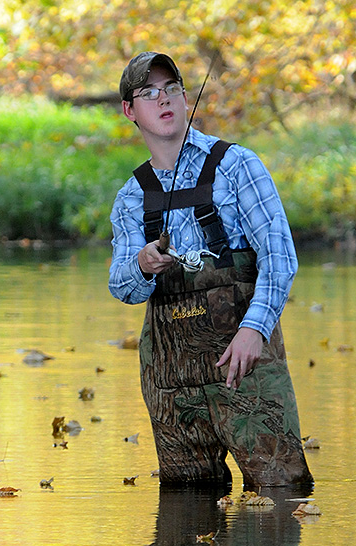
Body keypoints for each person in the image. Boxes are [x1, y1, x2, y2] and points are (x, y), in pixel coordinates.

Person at [109, 51, 312, 488]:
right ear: (130, 110)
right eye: (149, 93)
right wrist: (142, 264)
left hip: (245, 368)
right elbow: (123, 289)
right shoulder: (131, 197)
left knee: (282, 494)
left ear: (185, 98)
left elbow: (280, 257)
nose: (164, 99)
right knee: (185, 507)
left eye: (171, 88)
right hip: (170, 386)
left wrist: (254, 329)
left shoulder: (237, 165)